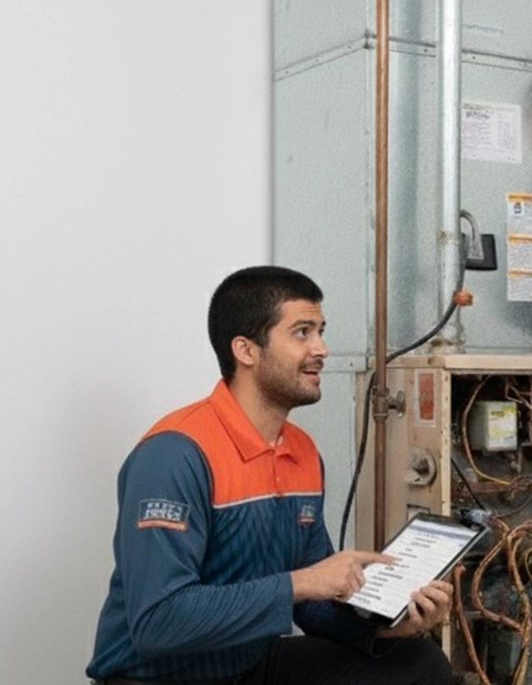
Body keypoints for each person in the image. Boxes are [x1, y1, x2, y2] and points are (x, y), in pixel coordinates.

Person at [87, 266, 453, 685]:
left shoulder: (301, 452)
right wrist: (301, 582)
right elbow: (158, 622)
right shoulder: (175, 454)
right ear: (246, 350)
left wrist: (388, 624)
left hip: (248, 666)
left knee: (419, 663)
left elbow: (313, 601)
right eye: (302, 332)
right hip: (157, 676)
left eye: (320, 331)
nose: (321, 349)